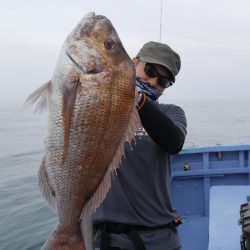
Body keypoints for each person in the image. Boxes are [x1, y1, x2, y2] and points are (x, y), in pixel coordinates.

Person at [92, 41, 187, 250]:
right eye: (150, 70)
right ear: (133, 62)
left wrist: (137, 98)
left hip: (160, 238)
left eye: (163, 80)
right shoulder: (102, 109)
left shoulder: (171, 113)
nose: (153, 82)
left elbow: (174, 143)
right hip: (107, 240)